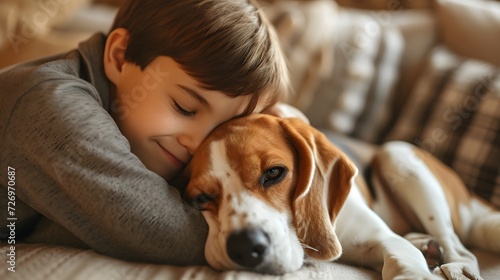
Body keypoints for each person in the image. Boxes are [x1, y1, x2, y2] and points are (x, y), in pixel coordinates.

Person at [0, 0, 300, 265]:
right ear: (120, 56)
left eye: (218, 130)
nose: (197, 145)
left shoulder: (142, 134)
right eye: (184, 107)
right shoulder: (49, 103)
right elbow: (161, 232)